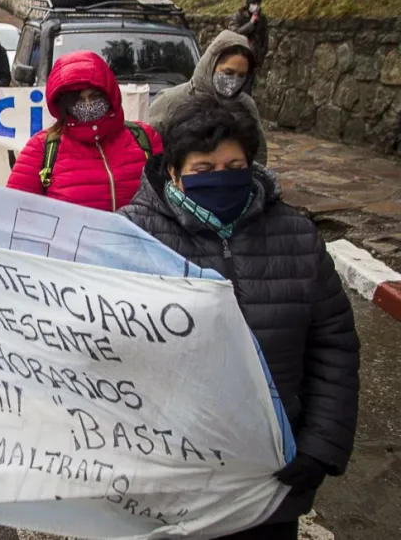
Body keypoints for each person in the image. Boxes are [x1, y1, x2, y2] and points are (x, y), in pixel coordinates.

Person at [119, 97, 359, 540]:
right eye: (204, 169)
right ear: (173, 172)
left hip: (269, 478)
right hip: (166, 479)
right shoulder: (129, 238)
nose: (221, 177)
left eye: (234, 166)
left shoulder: (297, 237)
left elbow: (334, 345)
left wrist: (321, 445)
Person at [7, 51, 162, 211]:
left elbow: (169, 200)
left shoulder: (144, 138)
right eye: (78, 99)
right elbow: (14, 212)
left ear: (110, 94)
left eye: (95, 96)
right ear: (64, 104)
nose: (88, 104)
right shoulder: (40, 148)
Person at [149, 30, 268, 165]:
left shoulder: (245, 105)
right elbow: (147, 146)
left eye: (241, 76)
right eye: (228, 72)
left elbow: (258, 153)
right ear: (210, 65)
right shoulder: (170, 101)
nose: (234, 80)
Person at [229, 0, 269, 91]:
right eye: (254, 3)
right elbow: (234, 33)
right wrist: (251, 23)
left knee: (248, 88)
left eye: (258, 3)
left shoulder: (262, 18)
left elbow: (264, 38)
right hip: (239, 58)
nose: (256, 6)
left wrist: (261, 55)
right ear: (248, 4)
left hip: (253, 61)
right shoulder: (239, 16)